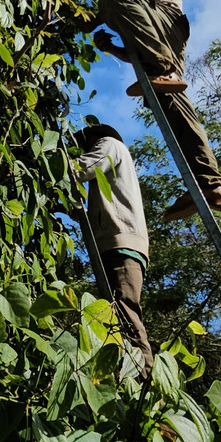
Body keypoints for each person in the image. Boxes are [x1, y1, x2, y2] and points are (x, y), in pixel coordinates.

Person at [79, 0, 221, 221]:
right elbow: (135, 52)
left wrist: (95, 16)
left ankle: (163, 68)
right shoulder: (137, 10)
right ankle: (209, 184)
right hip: (157, 47)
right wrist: (111, 48)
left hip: (167, 27)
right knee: (176, 113)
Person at [72, 123, 154, 374]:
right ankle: (127, 374)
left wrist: (47, 162)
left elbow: (81, 168)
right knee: (117, 314)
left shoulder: (110, 145)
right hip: (117, 240)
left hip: (122, 240)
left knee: (125, 308)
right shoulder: (114, 167)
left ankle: (143, 376)